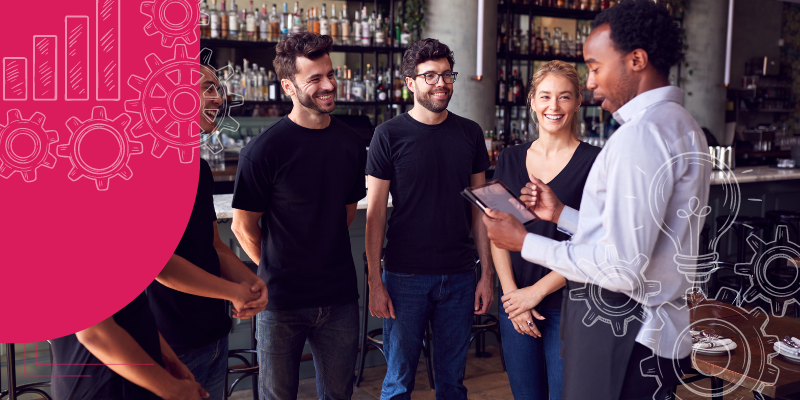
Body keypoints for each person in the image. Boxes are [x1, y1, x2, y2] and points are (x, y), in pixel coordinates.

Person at [483, 1, 707, 399]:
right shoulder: (682, 124)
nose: (590, 82)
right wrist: (560, 214)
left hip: (625, 332)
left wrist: (525, 242)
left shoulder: (640, 136)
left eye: (596, 66)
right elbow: (633, 232)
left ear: (636, 60)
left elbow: (621, 267)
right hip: (655, 331)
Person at [231, 32, 366, 400]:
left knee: (338, 395)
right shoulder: (263, 150)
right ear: (289, 86)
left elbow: (345, 214)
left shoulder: (351, 143)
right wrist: (280, 267)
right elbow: (242, 228)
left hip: (339, 298)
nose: (329, 85)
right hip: (281, 302)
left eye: (330, 74)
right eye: (316, 79)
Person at [365, 38, 493, 400]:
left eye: (447, 75)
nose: (441, 83)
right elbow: (374, 215)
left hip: (460, 274)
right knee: (398, 382)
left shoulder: (470, 133)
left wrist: (486, 275)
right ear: (410, 83)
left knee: (452, 383)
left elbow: (480, 209)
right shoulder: (388, 135)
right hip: (405, 276)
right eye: (430, 76)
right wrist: (376, 281)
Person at [145, 56, 268, 400]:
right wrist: (231, 292)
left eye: (218, 88)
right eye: (208, 89)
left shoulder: (196, 167)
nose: (218, 99)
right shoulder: (145, 169)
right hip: (168, 343)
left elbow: (212, 244)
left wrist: (249, 280)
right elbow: (159, 266)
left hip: (213, 336)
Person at [493, 60, 601, 400]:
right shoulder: (509, 159)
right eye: (545, 97)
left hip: (569, 306)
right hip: (515, 304)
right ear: (532, 100)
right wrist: (514, 297)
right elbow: (498, 231)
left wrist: (536, 292)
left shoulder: (596, 162)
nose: (553, 107)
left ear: (579, 101)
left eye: (564, 97)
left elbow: (594, 241)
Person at [49, 291, 209, 400]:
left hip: (128, 377)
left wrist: (170, 359)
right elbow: (94, 334)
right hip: (106, 384)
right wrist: (175, 391)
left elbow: (130, 310)